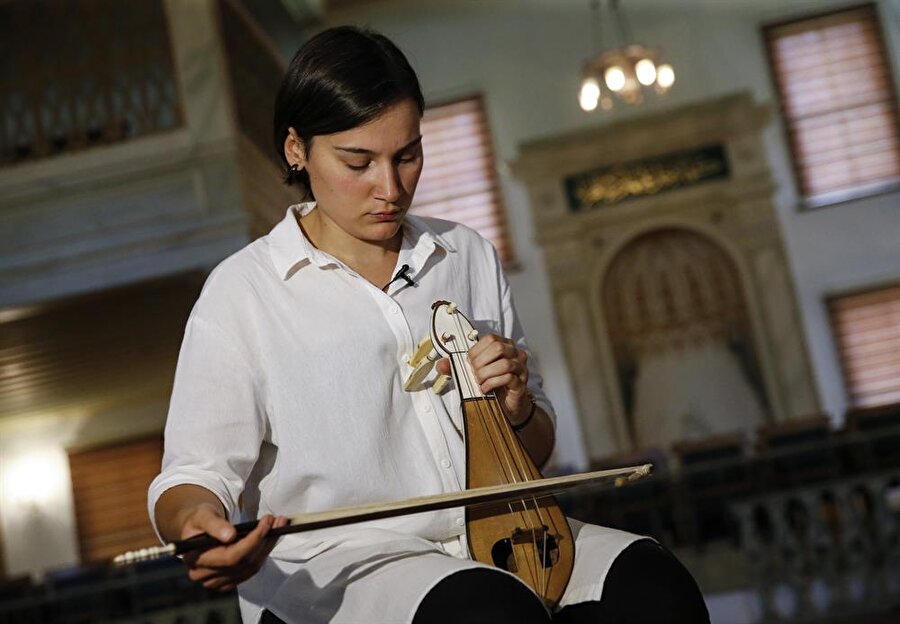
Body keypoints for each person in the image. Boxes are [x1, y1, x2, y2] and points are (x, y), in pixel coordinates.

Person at [148, 25, 709, 624]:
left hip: (506, 535)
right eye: (357, 162)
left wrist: (517, 408)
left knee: (655, 588)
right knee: (486, 612)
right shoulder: (242, 292)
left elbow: (536, 448)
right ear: (295, 149)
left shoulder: (464, 254)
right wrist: (196, 526)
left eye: (407, 155)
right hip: (340, 566)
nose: (390, 189)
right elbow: (193, 477)